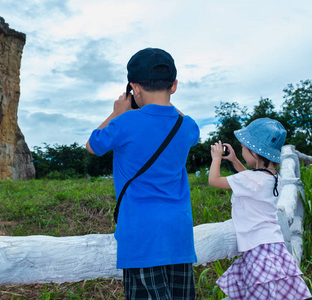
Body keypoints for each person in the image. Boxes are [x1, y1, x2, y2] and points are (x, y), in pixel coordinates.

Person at [87, 48, 199, 299]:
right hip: (178, 235)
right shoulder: (187, 126)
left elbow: (92, 145)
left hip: (141, 237)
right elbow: (185, 122)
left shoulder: (124, 123)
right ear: (174, 85)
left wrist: (117, 111)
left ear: (134, 88)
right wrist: (167, 100)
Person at [208, 118, 312, 300]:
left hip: (257, 249)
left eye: (242, 148)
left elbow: (214, 181)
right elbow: (250, 178)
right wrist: (234, 160)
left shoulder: (251, 179)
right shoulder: (275, 178)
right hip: (274, 246)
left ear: (254, 153)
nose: (241, 151)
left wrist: (216, 158)